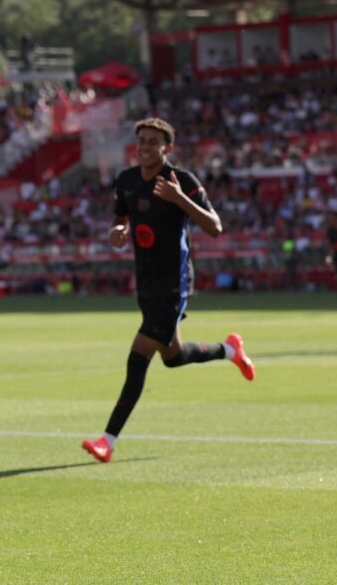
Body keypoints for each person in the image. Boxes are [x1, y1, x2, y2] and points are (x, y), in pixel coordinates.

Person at [82, 118, 256, 464]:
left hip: (174, 283)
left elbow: (215, 226)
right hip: (145, 281)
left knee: (138, 356)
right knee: (173, 357)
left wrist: (179, 200)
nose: (145, 146)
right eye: (141, 141)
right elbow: (120, 220)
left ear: (167, 149)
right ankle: (230, 350)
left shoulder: (183, 181)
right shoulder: (127, 180)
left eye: (153, 142)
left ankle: (108, 440)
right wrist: (115, 232)